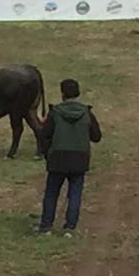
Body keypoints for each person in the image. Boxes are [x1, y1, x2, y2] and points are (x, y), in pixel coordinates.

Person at [38, 79, 102, 235]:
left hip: (58, 157)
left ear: (62, 94)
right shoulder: (86, 113)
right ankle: (70, 227)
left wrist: (48, 154)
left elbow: (44, 136)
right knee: (75, 193)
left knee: (52, 192)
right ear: (78, 93)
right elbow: (96, 136)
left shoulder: (55, 113)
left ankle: (46, 225)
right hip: (79, 158)